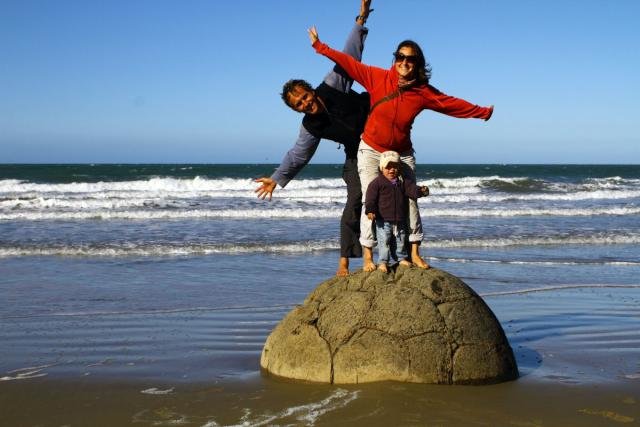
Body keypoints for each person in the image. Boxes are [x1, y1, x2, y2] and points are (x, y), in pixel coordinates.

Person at [308, 26, 494, 272]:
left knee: (411, 199)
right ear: (395, 59)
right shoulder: (377, 77)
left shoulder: (423, 92)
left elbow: (451, 104)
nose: (405, 62)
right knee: (369, 200)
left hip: (401, 152)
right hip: (372, 149)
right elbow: (348, 63)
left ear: (418, 64)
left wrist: (481, 112)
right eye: (400, 57)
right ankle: (368, 257)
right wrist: (320, 47)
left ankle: (414, 252)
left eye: (411, 59)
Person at [255, 0, 373, 277]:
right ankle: (345, 261)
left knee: (396, 193)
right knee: (355, 200)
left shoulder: (332, 84)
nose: (305, 104)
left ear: (311, 90)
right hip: (357, 153)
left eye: (305, 96)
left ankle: (402, 251)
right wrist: (277, 177)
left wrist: (361, 20)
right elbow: (299, 154)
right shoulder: (310, 125)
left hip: (381, 137)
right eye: (299, 104)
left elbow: (350, 56)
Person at [365, 151, 429, 273]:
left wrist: (421, 191)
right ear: (381, 168)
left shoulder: (402, 182)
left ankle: (401, 258)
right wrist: (370, 210)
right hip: (383, 220)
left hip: (400, 218)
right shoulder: (377, 183)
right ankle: (383, 262)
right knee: (384, 241)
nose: (391, 170)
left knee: (401, 240)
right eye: (388, 167)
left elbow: (412, 190)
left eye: (395, 167)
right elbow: (370, 199)